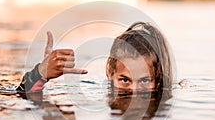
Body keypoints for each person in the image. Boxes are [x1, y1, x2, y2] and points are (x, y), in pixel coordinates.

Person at [17, 22, 173, 100]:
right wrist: (39, 74)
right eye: (125, 80)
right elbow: (22, 96)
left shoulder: (164, 101)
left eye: (145, 80)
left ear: (158, 79)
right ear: (110, 74)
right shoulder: (99, 95)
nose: (134, 91)